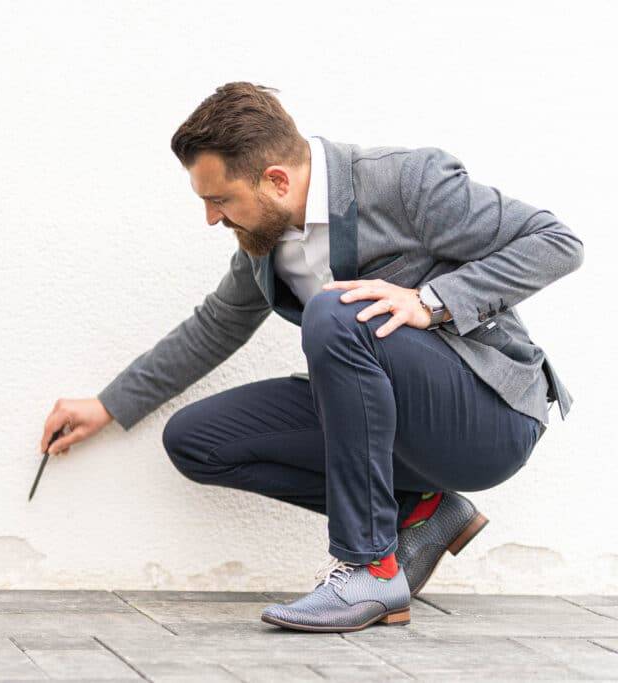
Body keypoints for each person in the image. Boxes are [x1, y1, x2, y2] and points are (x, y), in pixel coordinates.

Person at [40, 82, 582, 633]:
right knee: (196, 440)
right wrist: (107, 406)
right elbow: (216, 325)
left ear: (276, 180)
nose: (210, 218)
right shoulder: (265, 239)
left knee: (334, 312)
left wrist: (430, 301)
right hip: (398, 431)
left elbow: (556, 242)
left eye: (220, 199)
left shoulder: (405, 182)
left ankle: (370, 567)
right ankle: (421, 511)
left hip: (489, 417)